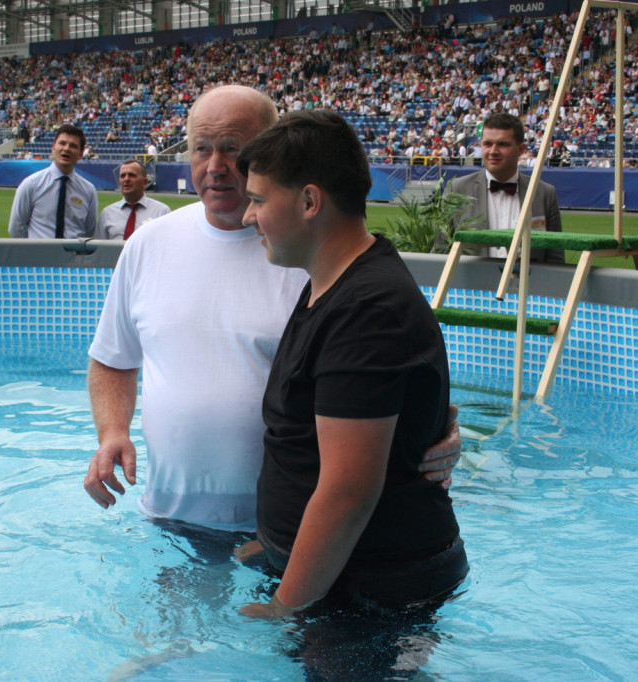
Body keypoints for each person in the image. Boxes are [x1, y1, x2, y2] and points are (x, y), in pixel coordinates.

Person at [83, 85, 458, 533]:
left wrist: (432, 433)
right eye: (201, 149)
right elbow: (111, 359)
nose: (216, 167)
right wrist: (112, 433)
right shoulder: (148, 244)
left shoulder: (316, 254)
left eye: (232, 150)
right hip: (168, 517)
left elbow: (380, 370)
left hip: (289, 531)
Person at [237, 110, 468, 619]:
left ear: (310, 201)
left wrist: (285, 605)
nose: (247, 217)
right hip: (335, 574)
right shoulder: (330, 280)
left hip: (372, 589)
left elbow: (349, 492)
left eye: (257, 200)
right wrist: (272, 541)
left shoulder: (367, 308)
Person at [444, 112, 564, 264]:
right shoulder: (457, 190)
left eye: (502, 144)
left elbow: (555, 256)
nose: (493, 151)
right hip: (474, 285)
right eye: (487, 144)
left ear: (521, 149)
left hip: (527, 285)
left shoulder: (544, 193)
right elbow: (442, 249)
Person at [8, 124, 98, 239]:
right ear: (53, 147)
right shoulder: (31, 184)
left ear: (81, 153)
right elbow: (16, 227)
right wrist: (30, 253)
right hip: (41, 255)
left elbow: (90, 231)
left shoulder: (88, 190)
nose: (66, 149)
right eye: (62, 143)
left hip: (73, 256)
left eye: (73, 146)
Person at [96, 159, 171, 240]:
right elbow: (100, 248)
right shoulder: (107, 213)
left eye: (132, 175)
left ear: (145, 182)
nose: (126, 179)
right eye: (122, 176)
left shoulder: (161, 212)